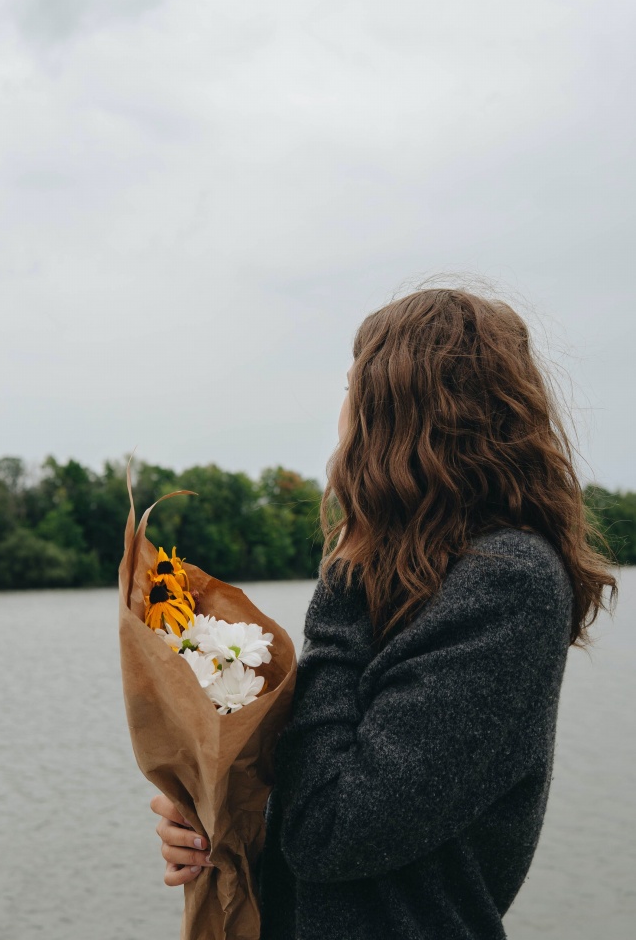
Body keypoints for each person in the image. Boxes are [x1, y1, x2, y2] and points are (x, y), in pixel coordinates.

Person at [150, 285, 616, 938]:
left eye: (352, 388)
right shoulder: (422, 579)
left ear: (394, 411)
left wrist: (343, 575)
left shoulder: (506, 582)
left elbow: (334, 830)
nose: (340, 414)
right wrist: (226, 828)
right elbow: (331, 808)